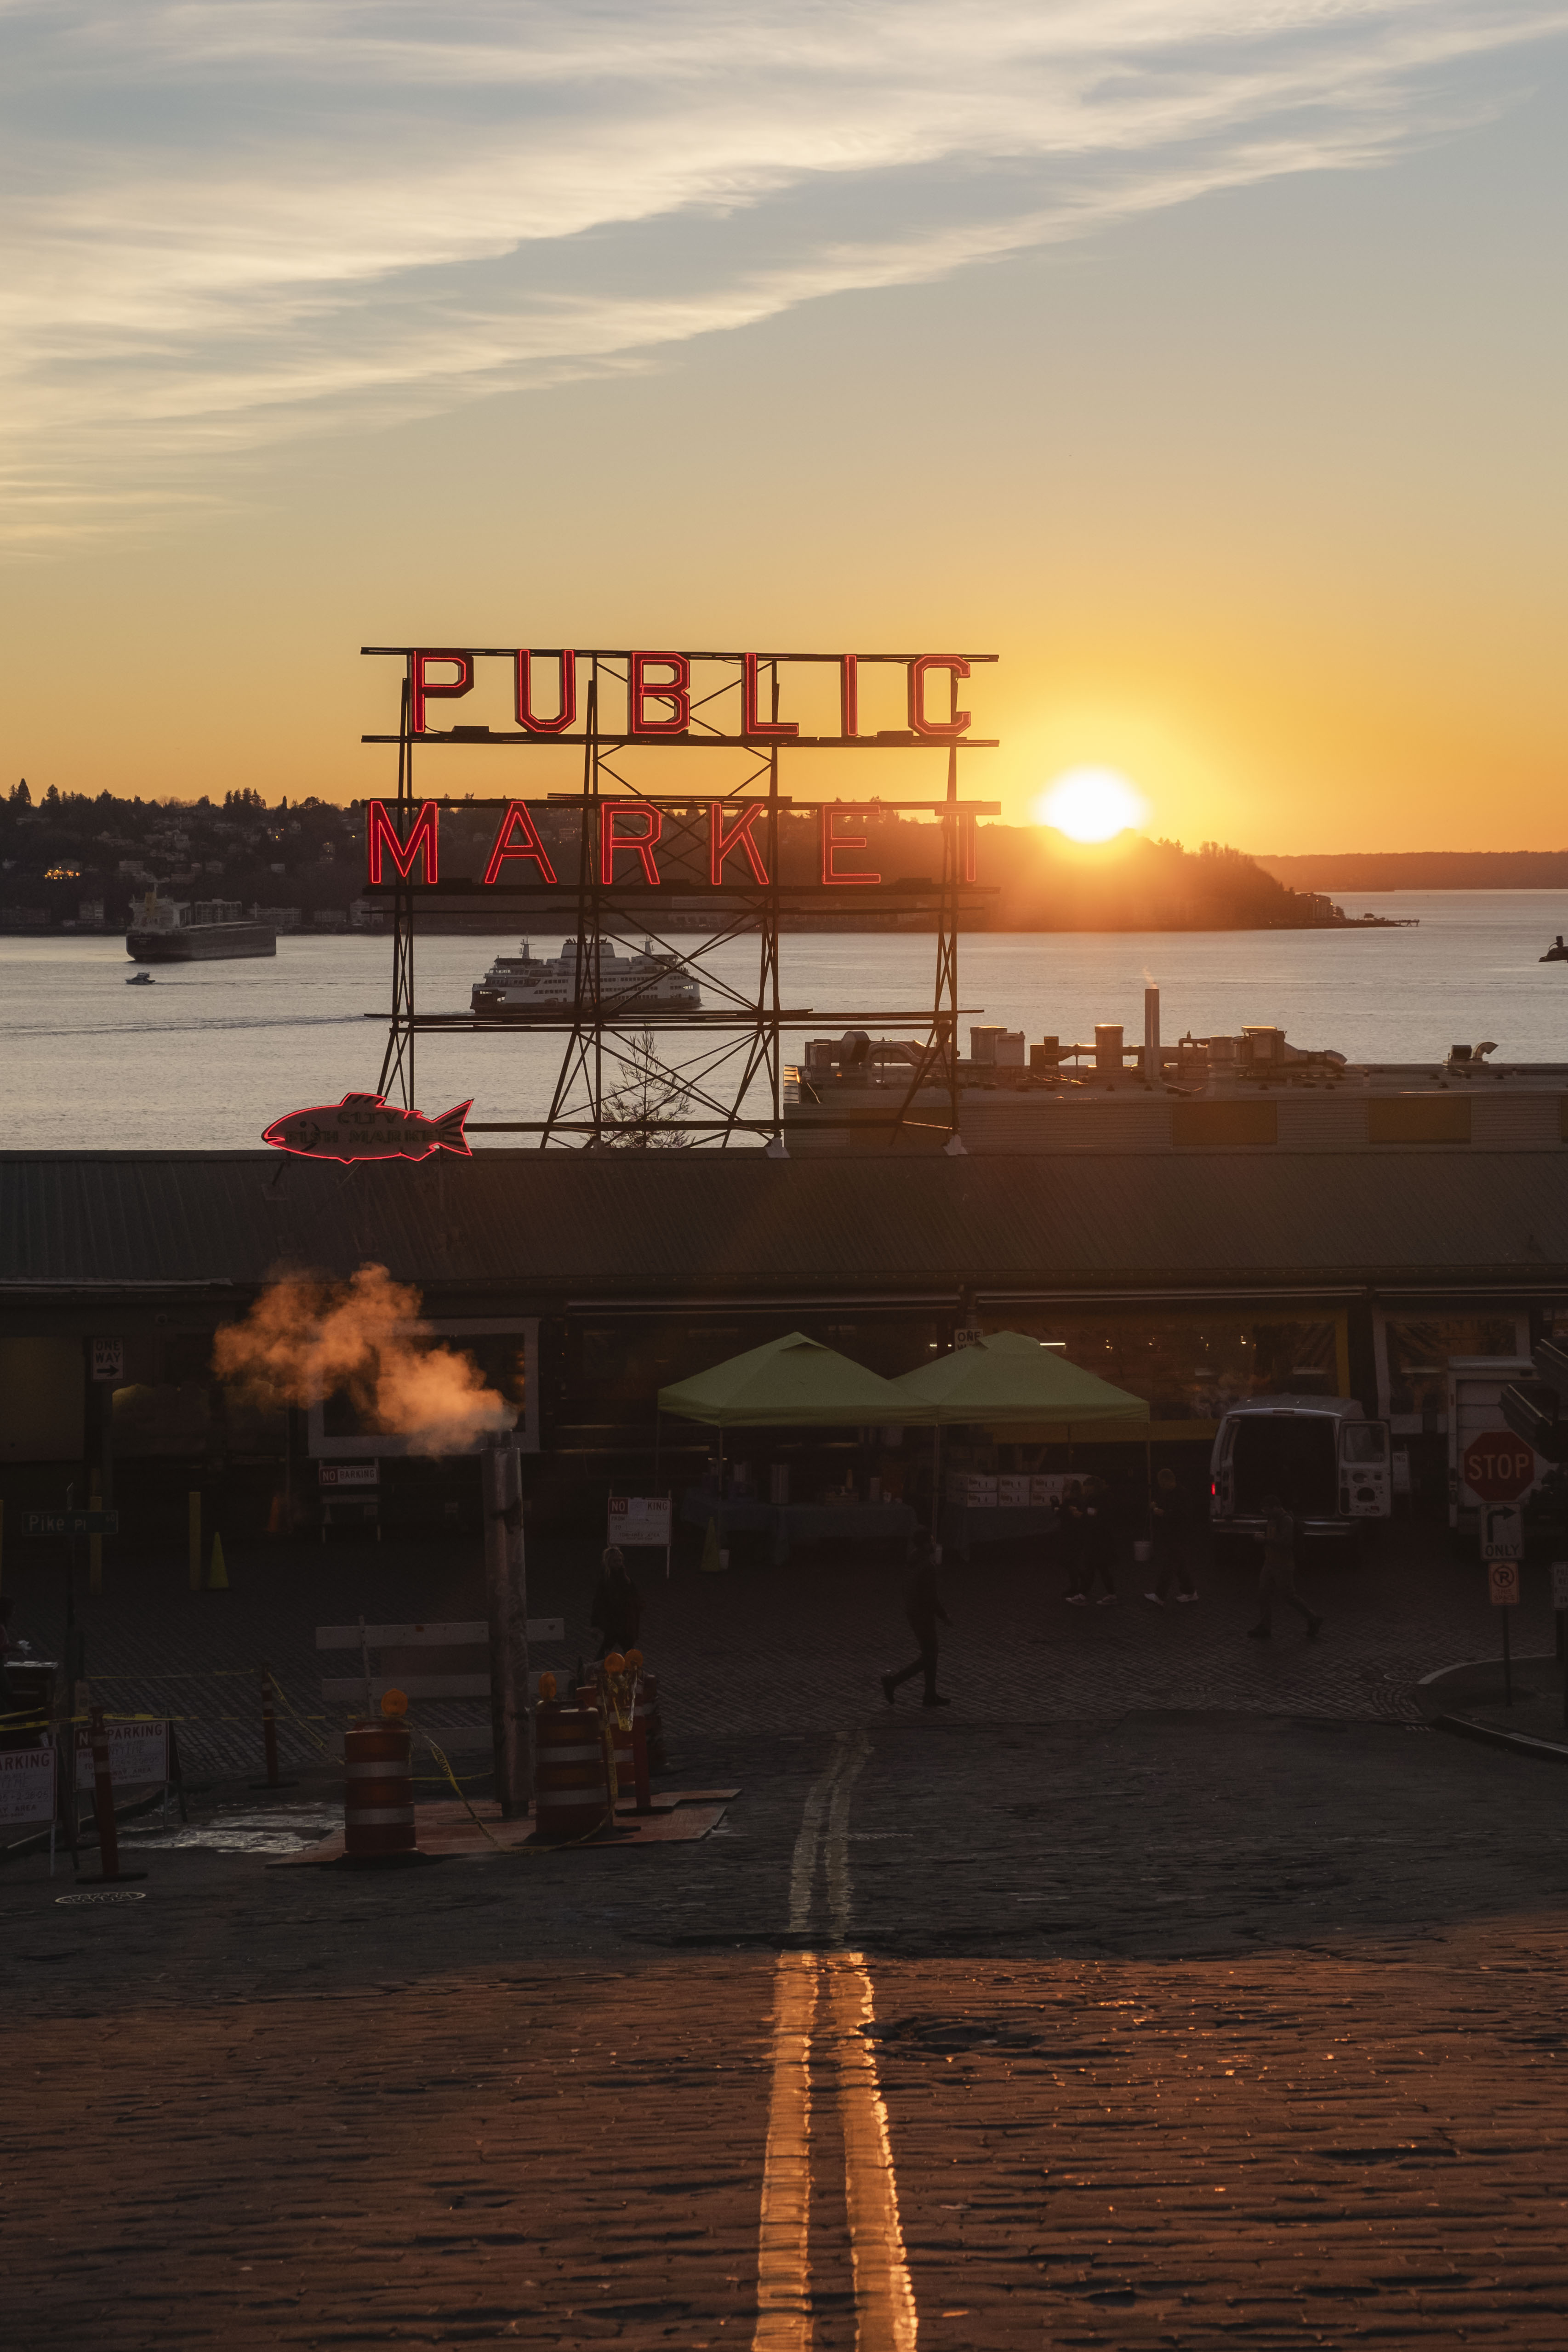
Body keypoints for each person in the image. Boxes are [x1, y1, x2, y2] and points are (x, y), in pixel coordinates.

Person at [881, 1544, 952, 1707]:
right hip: (923, 1616)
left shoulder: (910, 1563)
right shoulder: (927, 1567)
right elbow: (931, 1597)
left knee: (929, 1654)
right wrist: (944, 1616)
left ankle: (930, 1694)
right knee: (930, 1656)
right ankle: (894, 1682)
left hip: (913, 1614)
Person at [1248, 1492, 1323, 1639]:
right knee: (1263, 1594)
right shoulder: (1273, 1519)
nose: (1265, 1513)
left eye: (1267, 1510)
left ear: (1276, 1508)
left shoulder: (1286, 1521)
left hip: (1283, 1564)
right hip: (1270, 1562)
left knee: (1288, 1595)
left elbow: (1285, 1543)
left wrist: (1264, 1540)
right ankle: (1265, 1626)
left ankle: (1313, 1617)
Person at [1144, 1466, 1198, 1605]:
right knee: (1179, 1564)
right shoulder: (1172, 1493)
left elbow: (1184, 1516)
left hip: (1178, 1534)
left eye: (1163, 1483)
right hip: (1173, 1534)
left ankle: (1160, 1595)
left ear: (1168, 1481)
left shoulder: (1182, 1494)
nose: (1161, 1486)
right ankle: (1190, 1592)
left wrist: (1164, 1513)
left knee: (1170, 1565)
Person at [1068, 1474, 1118, 1606]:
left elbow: (1096, 1514)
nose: (1087, 1492)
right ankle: (1110, 1595)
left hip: (1096, 1538)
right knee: (1101, 1568)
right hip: (1100, 1538)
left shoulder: (1099, 1499)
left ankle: (1083, 1595)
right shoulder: (1104, 1497)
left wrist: (1081, 1515)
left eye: (1088, 1489)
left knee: (1091, 1567)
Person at [590, 1547, 642, 1660]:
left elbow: (634, 1596)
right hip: (613, 1622)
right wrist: (594, 1624)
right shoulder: (605, 1580)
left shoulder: (624, 1578)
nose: (619, 1564)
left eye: (620, 1561)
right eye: (615, 1561)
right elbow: (598, 1602)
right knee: (615, 1648)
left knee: (616, 1648)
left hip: (623, 1622)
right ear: (609, 1562)